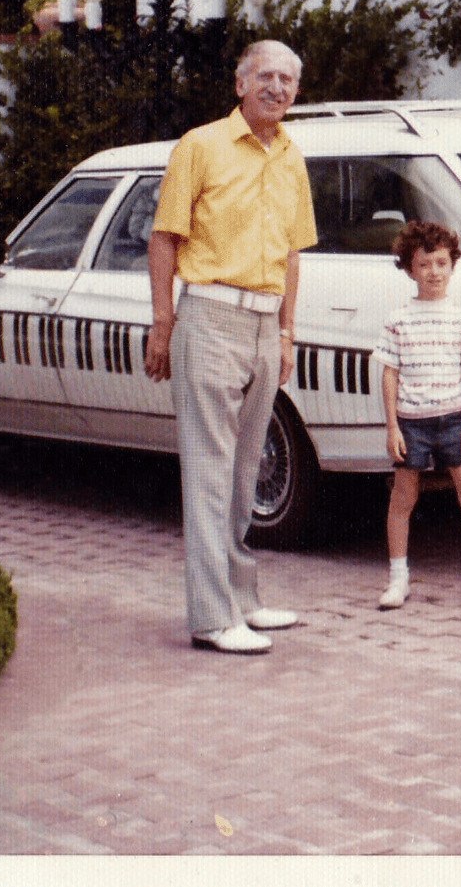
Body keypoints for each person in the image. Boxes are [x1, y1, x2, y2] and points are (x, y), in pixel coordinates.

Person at [146, 40, 318, 654]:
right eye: (265, 76)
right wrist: (163, 325)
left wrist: (287, 331)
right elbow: (164, 237)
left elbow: (293, 252)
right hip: (211, 316)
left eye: (288, 80)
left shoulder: (292, 155)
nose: (277, 87)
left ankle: (242, 596)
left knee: (249, 470)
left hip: (265, 326)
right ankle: (213, 619)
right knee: (210, 471)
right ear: (239, 83)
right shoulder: (201, 145)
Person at [374, 220, 461, 611]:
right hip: (412, 423)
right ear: (409, 270)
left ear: (452, 265)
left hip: (454, 421)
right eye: (424, 265)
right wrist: (392, 427)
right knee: (403, 498)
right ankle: (398, 580)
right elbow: (390, 374)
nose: (433, 272)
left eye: (441, 263)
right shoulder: (398, 319)